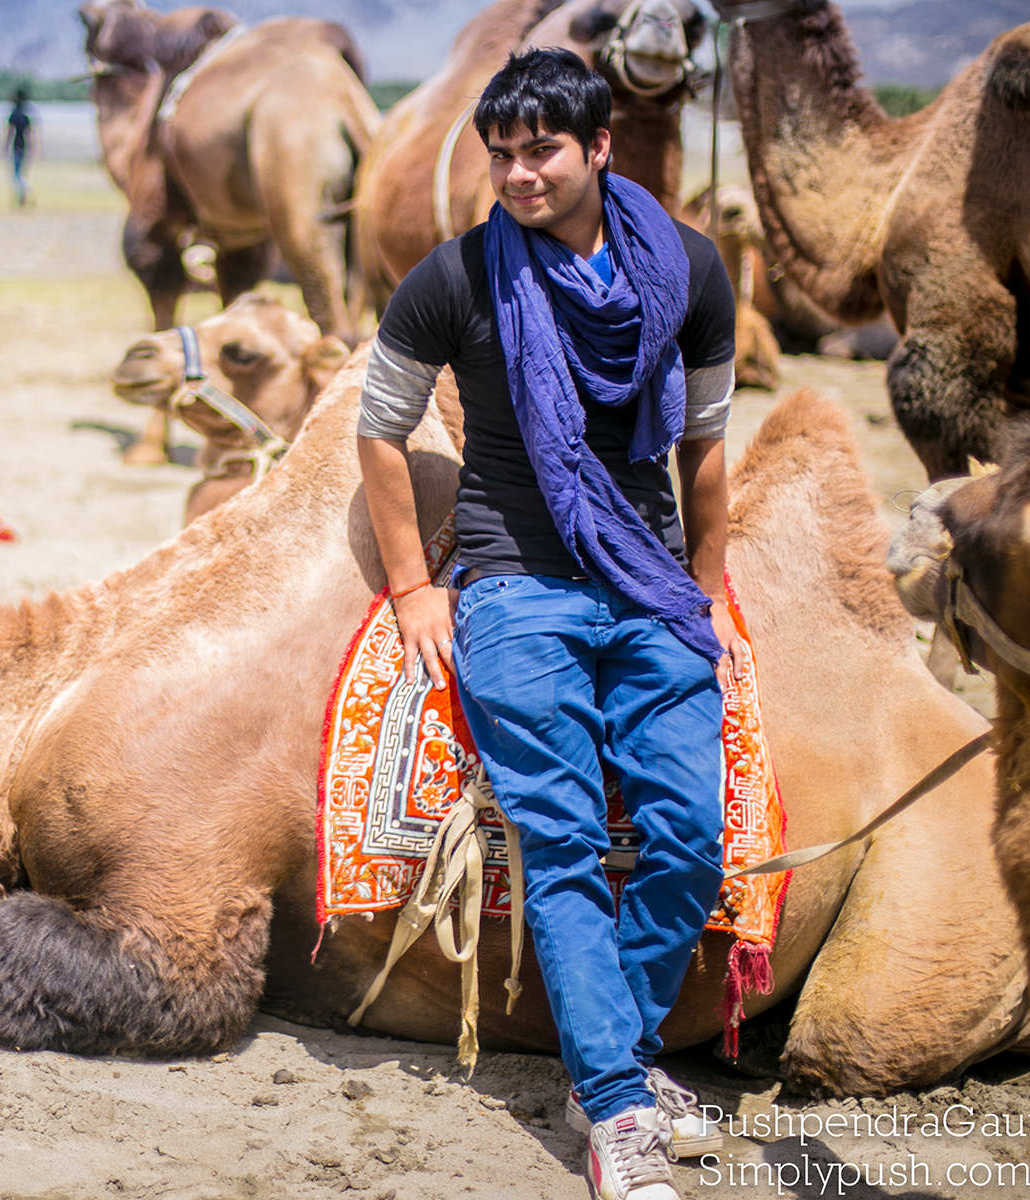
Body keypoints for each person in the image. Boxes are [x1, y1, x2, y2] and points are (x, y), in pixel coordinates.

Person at [355, 48, 742, 1200]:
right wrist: (416, 589)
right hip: (516, 581)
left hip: (646, 576)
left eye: (544, 151)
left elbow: (706, 446)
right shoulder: (458, 277)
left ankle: (601, 1059)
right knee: (566, 842)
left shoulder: (692, 271)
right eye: (503, 153)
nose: (520, 174)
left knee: (687, 839)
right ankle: (621, 1110)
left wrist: (707, 586)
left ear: (599, 148)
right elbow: (382, 424)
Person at [0, 87, 39, 208]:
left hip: (16, 148)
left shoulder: (14, 115)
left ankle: (28, 193)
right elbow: (30, 135)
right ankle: (22, 199)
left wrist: (5, 147)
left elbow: (10, 133)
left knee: (16, 175)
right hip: (25, 148)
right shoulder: (26, 117)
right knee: (21, 174)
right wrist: (33, 149)